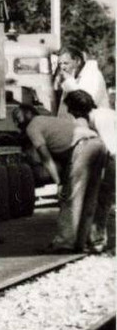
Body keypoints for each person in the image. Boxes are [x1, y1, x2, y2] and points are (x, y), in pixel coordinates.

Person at [16, 101, 103, 253]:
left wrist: (59, 183)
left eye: (17, 117)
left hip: (82, 147)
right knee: (90, 197)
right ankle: (88, 242)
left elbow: (45, 158)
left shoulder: (32, 127)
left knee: (70, 198)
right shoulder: (49, 120)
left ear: (28, 114)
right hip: (98, 143)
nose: (16, 121)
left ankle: (64, 243)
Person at [57, 89, 112, 254]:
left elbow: (107, 144)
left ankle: (76, 241)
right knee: (101, 201)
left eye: (71, 111)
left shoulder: (98, 119)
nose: (71, 115)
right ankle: (95, 241)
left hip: (110, 156)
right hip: (109, 155)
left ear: (77, 110)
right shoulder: (105, 113)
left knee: (89, 198)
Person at [57, 47, 110, 117]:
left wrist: (69, 82)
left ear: (78, 61)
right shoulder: (73, 77)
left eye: (66, 63)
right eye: (60, 64)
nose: (62, 67)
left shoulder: (93, 75)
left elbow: (85, 105)